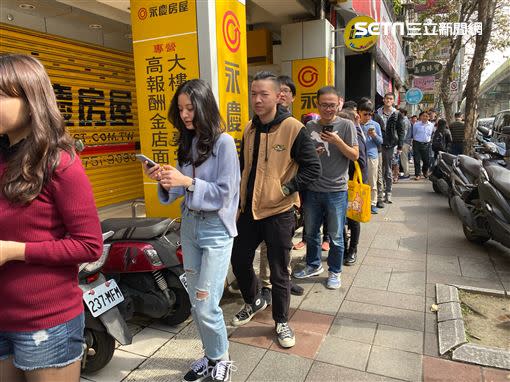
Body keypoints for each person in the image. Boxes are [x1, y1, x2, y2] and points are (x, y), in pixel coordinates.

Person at [0, 54, 103, 382]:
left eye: (1, 95)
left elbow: (89, 245)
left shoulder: (59, 163)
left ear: (31, 100)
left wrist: (15, 251)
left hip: (46, 323)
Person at [143, 79, 240, 382]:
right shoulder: (187, 143)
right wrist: (163, 178)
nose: (185, 115)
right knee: (198, 305)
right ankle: (211, 356)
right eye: (181, 109)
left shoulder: (223, 143)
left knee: (206, 302)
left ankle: (221, 358)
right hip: (190, 227)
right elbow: (177, 192)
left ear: (204, 106)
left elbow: (225, 193)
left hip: (215, 230)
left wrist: (187, 182)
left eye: (190, 108)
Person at [230, 71, 321, 349]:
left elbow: (312, 168)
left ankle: (281, 321)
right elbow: (244, 167)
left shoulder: (294, 128)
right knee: (239, 259)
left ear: (277, 96)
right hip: (249, 211)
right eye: (253, 94)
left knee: (280, 271)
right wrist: (238, 202)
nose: (257, 99)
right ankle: (254, 300)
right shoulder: (249, 128)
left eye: (263, 94)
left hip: (279, 211)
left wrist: (284, 189)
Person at [293, 86, 359, 289]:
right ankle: (313, 264)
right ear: (317, 105)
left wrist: (338, 141)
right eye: (324, 105)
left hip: (337, 190)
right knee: (311, 232)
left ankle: (335, 271)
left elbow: (354, 155)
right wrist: (315, 151)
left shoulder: (347, 125)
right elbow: (303, 156)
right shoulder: (310, 126)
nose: (328, 109)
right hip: (313, 189)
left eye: (332, 105)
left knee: (337, 236)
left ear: (339, 103)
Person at [258, 75, 304, 300]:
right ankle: (267, 285)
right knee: (270, 246)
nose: (282, 94)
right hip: (269, 199)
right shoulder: (261, 124)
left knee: (285, 243)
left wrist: (289, 190)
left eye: (287, 91)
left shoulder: (295, 126)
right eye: (280, 90)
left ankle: (284, 279)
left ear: (292, 97)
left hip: (290, 197)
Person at [337, 109, 367, 265]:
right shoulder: (339, 136)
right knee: (340, 220)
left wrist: (343, 151)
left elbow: (361, 162)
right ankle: (343, 248)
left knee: (353, 219)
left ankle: (353, 250)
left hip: (353, 184)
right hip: (339, 185)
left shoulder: (356, 137)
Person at [376, 93, 405, 204]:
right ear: (383, 100)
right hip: (377, 144)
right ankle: (380, 193)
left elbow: (401, 131)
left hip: (390, 145)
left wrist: (400, 146)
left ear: (393, 101)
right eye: (387, 98)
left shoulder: (397, 114)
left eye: (391, 99)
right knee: (378, 170)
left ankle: (388, 193)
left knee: (387, 170)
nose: (388, 100)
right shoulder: (376, 112)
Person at [358, 100, 383, 214]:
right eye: (365, 114)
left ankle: (372, 203)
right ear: (359, 112)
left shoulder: (375, 125)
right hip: (358, 156)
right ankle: (360, 203)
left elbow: (380, 141)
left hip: (372, 156)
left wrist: (374, 135)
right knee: (360, 181)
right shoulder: (355, 124)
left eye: (370, 114)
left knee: (372, 181)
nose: (368, 117)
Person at [412, 111, 435, 180]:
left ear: (429, 117)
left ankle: (425, 171)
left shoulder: (431, 125)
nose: (425, 117)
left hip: (426, 144)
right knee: (417, 160)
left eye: (426, 116)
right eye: (423, 116)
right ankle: (417, 174)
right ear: (420, 117)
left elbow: (431, 134)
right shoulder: (416, 125)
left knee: (427, 160)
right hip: (417, 143)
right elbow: (414, 133)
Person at [399, 108, 412, 180]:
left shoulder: (404, 121)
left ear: (403, 113)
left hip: (404, 142)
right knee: (403, 158)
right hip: (405, 141)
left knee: (404, 158)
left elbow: (404, 132)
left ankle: (406, 174)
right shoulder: (406, 120)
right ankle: (405, 173)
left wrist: (400, 142)